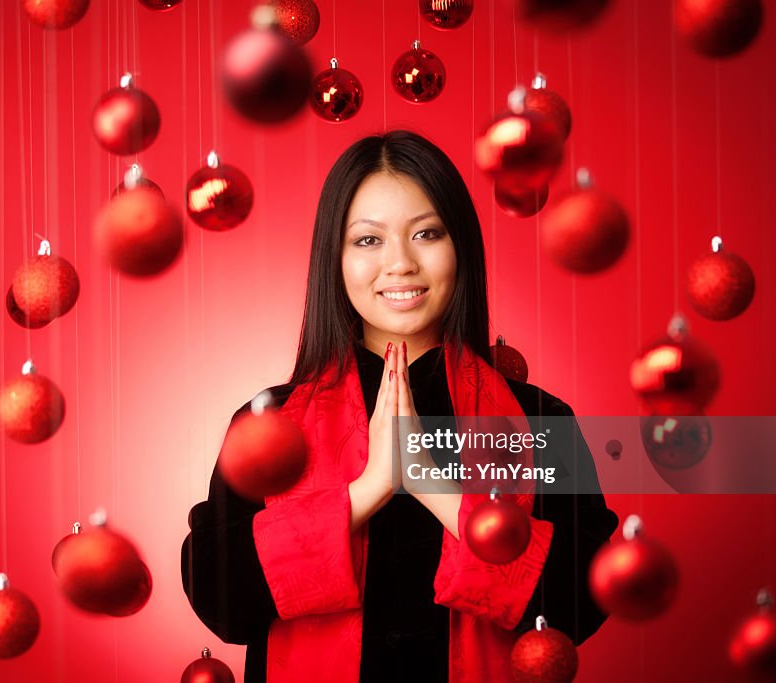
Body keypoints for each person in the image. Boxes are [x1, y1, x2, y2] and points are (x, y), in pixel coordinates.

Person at [181, 130, 619, 683]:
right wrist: (368, 492)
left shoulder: (539, 420)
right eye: (368, 241)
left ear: (460, 247)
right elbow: (219, 597)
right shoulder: (267, 426)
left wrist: (433, 488)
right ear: (333, 259)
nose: (401, 264)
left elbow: (581, 603)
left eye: (427, 234)